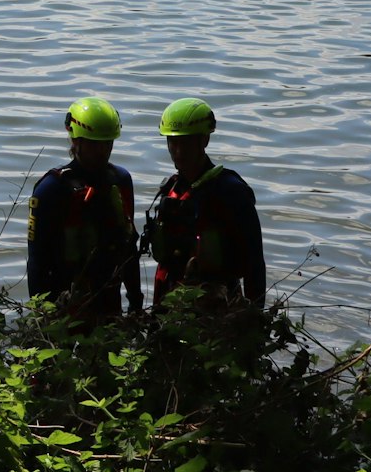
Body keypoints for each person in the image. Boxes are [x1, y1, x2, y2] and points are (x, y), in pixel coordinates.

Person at [26, 96, 143, 321]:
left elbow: (129, 247)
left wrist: (136, 303)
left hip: (109, 304)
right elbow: (37, 261)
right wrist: (42, 319)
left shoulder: (120, 180)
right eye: (94, 143)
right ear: (75, 140)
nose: (102, 151)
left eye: (108, 143)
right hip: (64, 306)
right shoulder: (51, 189)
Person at [143, 98, 266, 309]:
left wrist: (255, 318)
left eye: (187, 143)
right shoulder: (171, 189)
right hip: (168, 306)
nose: (178, 151)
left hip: (216, 308)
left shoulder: (230, 190)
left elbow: (254, 263)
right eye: (173, 142)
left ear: (204, 140)